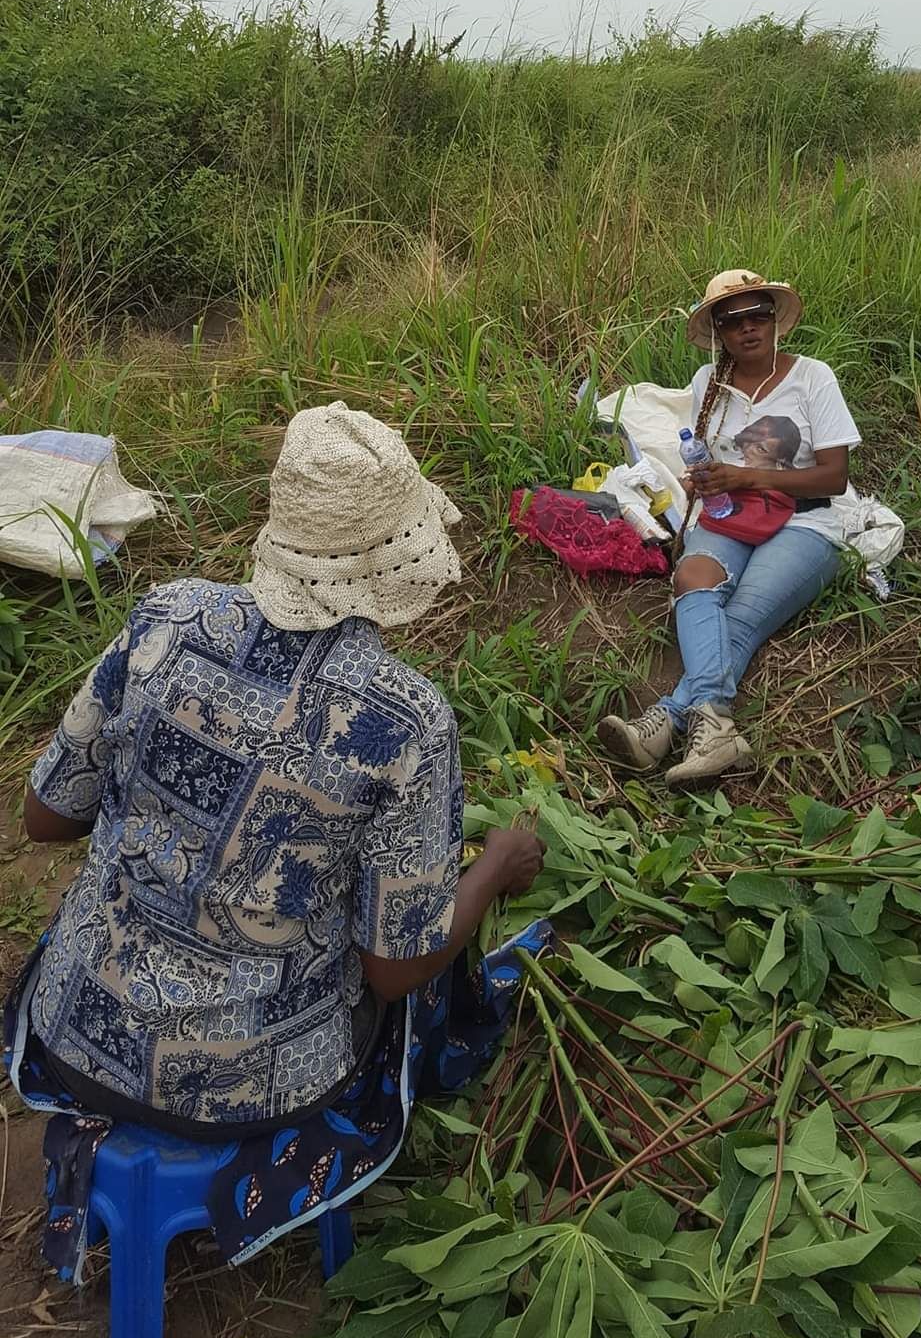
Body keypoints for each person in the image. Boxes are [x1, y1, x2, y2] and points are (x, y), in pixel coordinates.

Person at [6, 401, 545, 1153]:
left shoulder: (165, 618)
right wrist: (493, 868)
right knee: (420, 977)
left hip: (75, 1030)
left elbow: (46, 818)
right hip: (249, 1087)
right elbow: (393, 971)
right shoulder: (405, 717)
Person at [599, 270, 861, 789]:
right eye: (732, 320)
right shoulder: (706, 384)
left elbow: (834, 475)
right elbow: (708, 459)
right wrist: (707, 481)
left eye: (758, 313)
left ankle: (673, 719)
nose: (748, 328)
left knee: (738, 617)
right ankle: (710, 727)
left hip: (807, 517)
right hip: (731, 515)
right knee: (692, 578)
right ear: (718, 332)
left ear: (774, 319)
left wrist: (747, 475)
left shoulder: (812, 377)